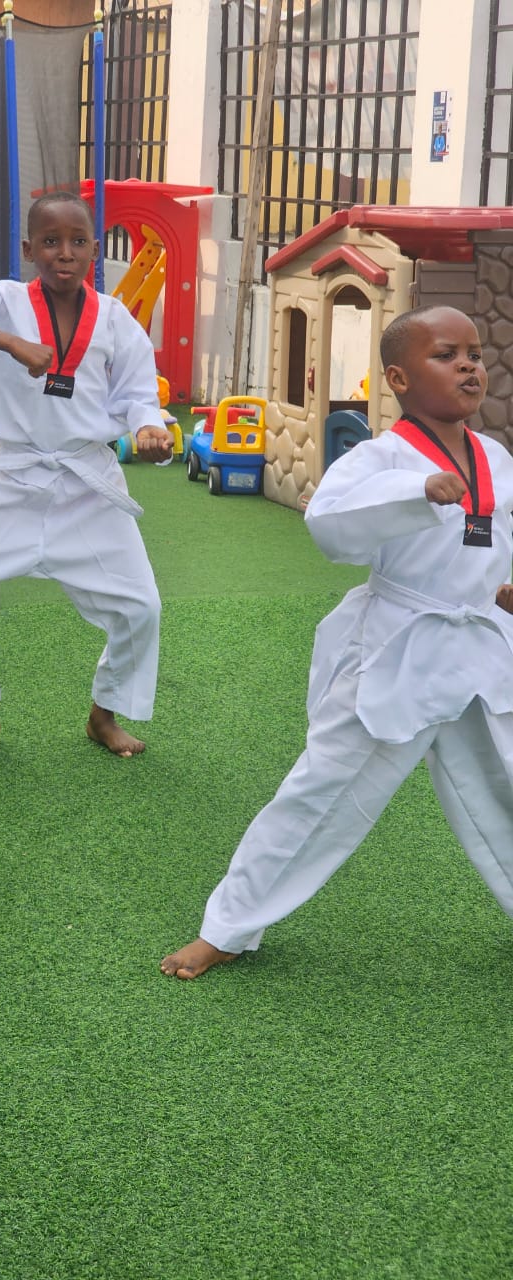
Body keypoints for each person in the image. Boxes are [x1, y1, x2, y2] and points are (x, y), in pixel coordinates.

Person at [162, 304, 513, 981]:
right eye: (447, 354)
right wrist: (418, 490)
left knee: (503, 788)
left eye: (475, 353)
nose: (469, 364)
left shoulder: (497, 458)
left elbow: (498, 546)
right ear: (399, 378)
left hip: (481, 652)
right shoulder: (382, 458)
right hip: (399, 652)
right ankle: (229, 927)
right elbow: (329, 524)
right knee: (322, 791)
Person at [0, 191, 175, 762]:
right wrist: (6, 342)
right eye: (51, 242)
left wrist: (151, 430)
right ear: (29, 248)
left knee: (141, 608)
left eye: (78, 242)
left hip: (89, 483)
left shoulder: (114, 318)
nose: (65, 252)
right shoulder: (3, 302)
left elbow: (137, 392)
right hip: (13, 479)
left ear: (95, 251)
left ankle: (103, 713)